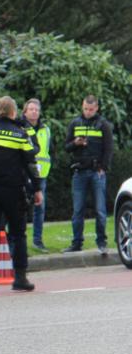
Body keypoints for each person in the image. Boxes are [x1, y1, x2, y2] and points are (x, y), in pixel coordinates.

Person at [0, 96, 43, 294]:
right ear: (13, 112)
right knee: (18, 234)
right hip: (12, 189)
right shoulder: (20, 134)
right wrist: (37, 189)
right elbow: (30, 163)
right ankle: (19, 278)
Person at [63, 95, 114, 255]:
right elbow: (66, 147)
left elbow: (109, 149)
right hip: (79, 171)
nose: (88, 112)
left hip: (96, 172)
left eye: (91, 109)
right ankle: (76, 243)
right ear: (82, 106)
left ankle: (101, 242)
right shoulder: (75, 123)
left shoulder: (103, 125)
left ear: (97, 108)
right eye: (85, 109)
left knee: (100, 210)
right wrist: (75, 143)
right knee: (77, 210)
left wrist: (103, 167)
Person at [22, 99, 51, 253]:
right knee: (19, 207)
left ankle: (37, 240)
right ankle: (15, 239)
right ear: (25, 111)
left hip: (41, 174)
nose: (34, 112)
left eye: (36, 110)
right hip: (24, 173)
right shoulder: (20, 127)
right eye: (31, 109)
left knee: (40, 208)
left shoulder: (46, 129)